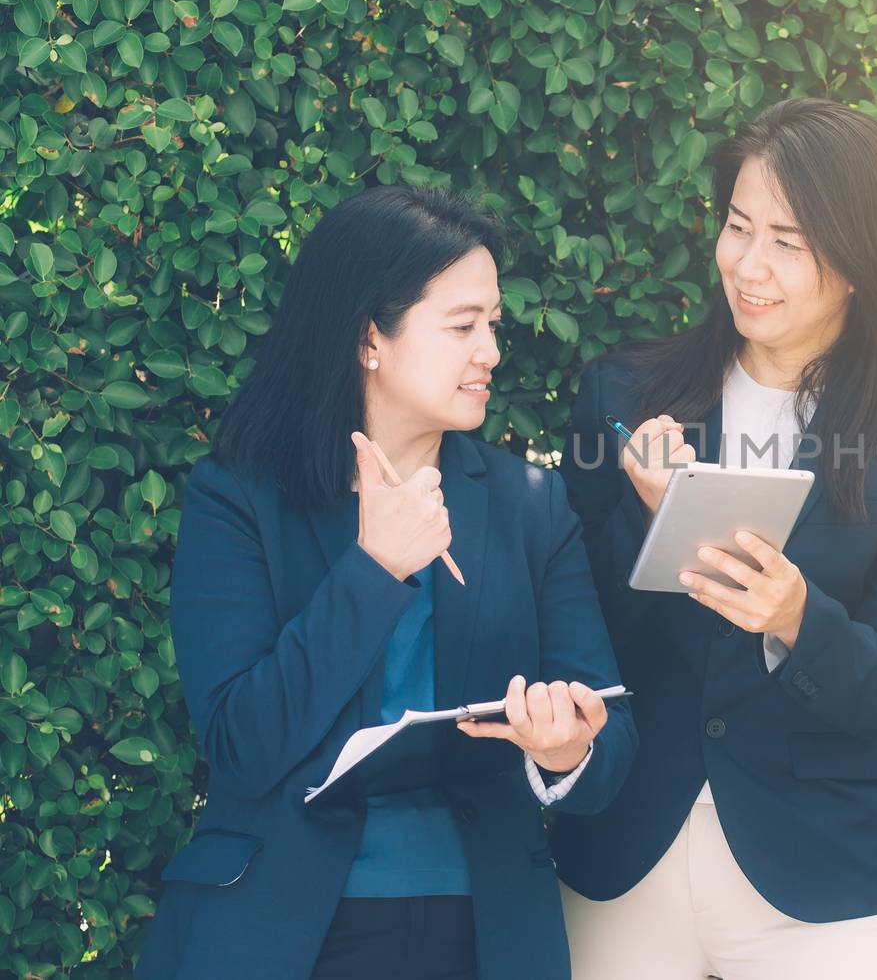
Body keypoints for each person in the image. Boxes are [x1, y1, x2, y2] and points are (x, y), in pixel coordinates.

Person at [136, 186, 637, 980]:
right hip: (286, 925)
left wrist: (568, 747)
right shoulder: (239, 497)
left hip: (485, 925)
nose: (492, 353)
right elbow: (241, 745)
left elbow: (612, 736)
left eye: (494, 325)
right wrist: (374, 570)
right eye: (463, 326)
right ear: (372, 335)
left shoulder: (531, 506)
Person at [552, 98, 877, 978]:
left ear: (858, 260)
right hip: (626, 849)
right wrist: (643, 513)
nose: (750, 265)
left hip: (816, 871)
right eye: (739, 226)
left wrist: (795, 617)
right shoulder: (623, 399)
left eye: (789, 241)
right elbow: (566, 631)